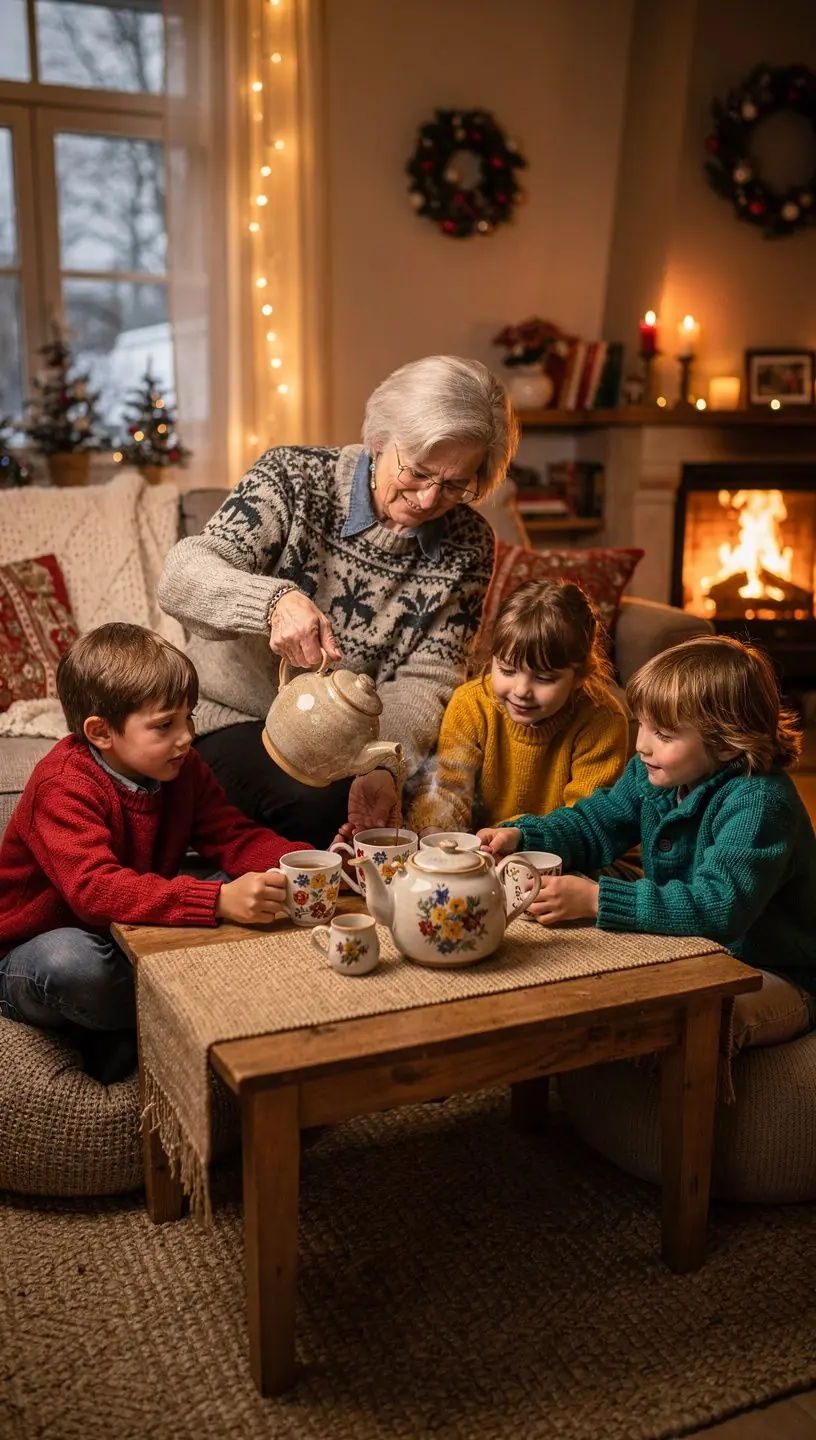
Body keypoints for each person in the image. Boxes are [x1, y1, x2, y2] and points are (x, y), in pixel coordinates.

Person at [158, 355, 518, 847]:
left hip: (349, 747)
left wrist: (381, 765)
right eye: (417, 471)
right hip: (236, 718)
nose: (429, 500)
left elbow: (427, 678)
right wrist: (273, 602)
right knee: (317, 807)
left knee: (401, 811)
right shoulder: (294, 478)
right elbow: (181, 577)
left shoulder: (469, 542)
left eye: (456, 484)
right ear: (378, 440)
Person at [0, 624, 310, 1084]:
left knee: (255, 889)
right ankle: (191, 1014)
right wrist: (217, 904)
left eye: (190, 717)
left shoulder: (182, 767)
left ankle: (127, 1025)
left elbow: (236, 838)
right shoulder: (62, 785)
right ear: (101, 732)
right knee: (73, 963)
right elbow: (94, 891)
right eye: (166, 724)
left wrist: (315, 864)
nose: (186, 736)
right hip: (34, 952)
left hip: (131, 933)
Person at [479, 635, 816, 1052]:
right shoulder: (655, 772)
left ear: (728, 743)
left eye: (665, 735)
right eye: (643, 726)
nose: (641, 745)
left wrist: (599, 900)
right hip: (697, 952)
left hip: (774, 972)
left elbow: (718, 905)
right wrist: (524, 835)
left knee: (702, 1020)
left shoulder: (760, 804)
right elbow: (593, 823)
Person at [408, 579, 628, 834]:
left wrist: (520, 836)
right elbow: (448, 787)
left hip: (561, 854)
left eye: (544, 678)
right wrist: (435, 827)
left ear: (579, 676)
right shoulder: (471, 704)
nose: (521, 691)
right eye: (507, 670)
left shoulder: (603, 720)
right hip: (484, 852)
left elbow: (586, 822)